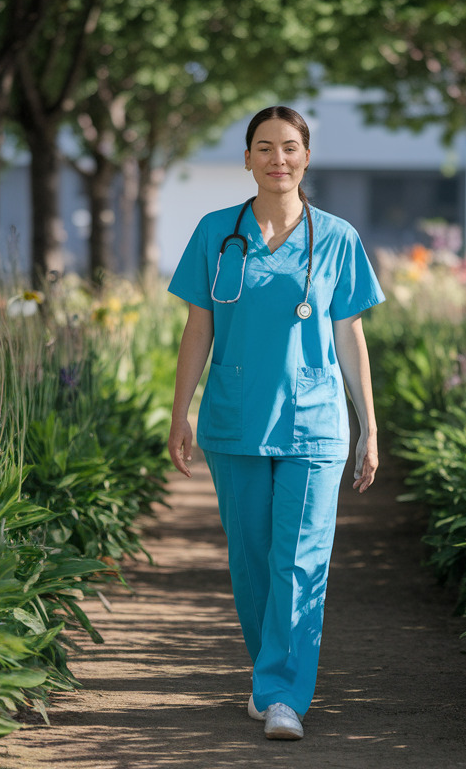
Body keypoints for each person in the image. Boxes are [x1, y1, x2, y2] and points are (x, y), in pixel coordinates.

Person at [166, 106, 385, 741]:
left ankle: (283, 693)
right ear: (247, 159)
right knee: (253, 560)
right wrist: (180, 413)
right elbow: (198, 327)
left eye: (290, 147)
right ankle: (271, 672)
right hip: (235, 419)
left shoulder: (338, 238)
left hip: (315, 421)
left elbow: (350, 336)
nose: (277, 158)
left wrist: (369, 424)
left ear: (307, 158)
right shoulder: (216, 233)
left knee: (302, 559)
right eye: (264, 147)